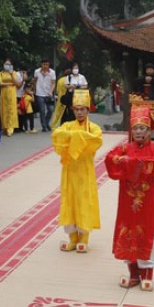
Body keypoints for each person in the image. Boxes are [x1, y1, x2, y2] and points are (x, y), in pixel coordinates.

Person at [105, 106, 154, 290]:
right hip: (127, 202)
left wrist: (128, 163)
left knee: (148, 232)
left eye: (143, 128)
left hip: (148, 202)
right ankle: (133, 274)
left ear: (150, 130)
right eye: (136, 128)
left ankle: (147, 274)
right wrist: (131, 163)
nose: (139, 132)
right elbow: (110, 159)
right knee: (128, 231)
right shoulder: (124, 148)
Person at [52, 90, 103, 253]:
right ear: (73, 110)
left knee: (84, 202)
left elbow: (95, 141)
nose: (80, 112)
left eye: (83, 109)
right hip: (69, 172)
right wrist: (80, 135)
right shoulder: (67, 125)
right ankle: (73, 238)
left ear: (88, 110)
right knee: (70, 202)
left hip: (85, 172)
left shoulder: (95, 128)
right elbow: (57, 135)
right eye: (77, 109)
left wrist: (72, 137)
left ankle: (84, 238)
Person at [0, 59, 22, 136]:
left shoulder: (14, 73)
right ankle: (5, 127)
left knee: (11, 109)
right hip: (3, 94)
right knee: (4, 110)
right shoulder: (0, 74)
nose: (7, 66)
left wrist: (11, 75)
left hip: (12, 93)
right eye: (6, 64)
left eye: (9, 64)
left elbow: (17, 84)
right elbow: (0, 83)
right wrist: (10, 84)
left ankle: (11, 127)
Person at [33, 59, 57, 132]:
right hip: (39, 93)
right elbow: (35, 81)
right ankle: (44, 126)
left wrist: (51, 91)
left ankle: (46, 123)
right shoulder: (37, 72)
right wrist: (34, 90)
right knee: (42, 110)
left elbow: (53, 83)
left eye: (47, 64)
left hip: (48, 94)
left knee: (50, 109)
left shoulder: (52, 72)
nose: (45, 66)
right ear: (41, 64)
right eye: (44, 64)